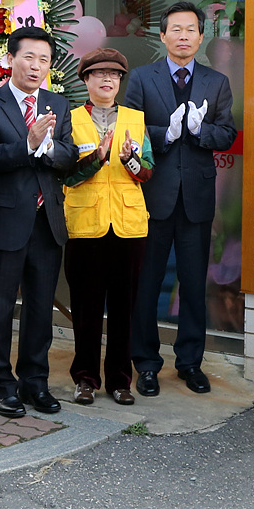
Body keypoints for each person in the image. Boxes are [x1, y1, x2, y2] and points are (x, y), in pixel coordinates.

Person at [124, 1, 237, 396]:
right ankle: (147, 363)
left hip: (197, 199)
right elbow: (130, 132)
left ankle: (190, 363)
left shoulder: (215, 82)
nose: (183, 36)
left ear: (201, 37)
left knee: (192, 285)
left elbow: (227, 134)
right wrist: (167, 134)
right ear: (163, 35)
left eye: (191, 29)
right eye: (176, 29)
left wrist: (199, 130)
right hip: (153, 194)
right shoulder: (141, 78)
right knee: (147, 282)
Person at [0, 26, 77, 417]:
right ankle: (0, 386)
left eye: (44, 60)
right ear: (10, 59)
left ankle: (35, 382)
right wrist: (29, 144)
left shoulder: (59, 104)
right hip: (3, 220)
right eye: (29, 57)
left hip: (45, 220)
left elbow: (68, 157)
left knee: (39, 308)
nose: (36, 66)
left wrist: (48, 149)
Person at [61, 47, 152, 406]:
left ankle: (120, 379)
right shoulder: (69, 119)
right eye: (99, 74)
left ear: (120, 82)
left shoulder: (135, 119)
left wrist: (130, 159)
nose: (107, 80)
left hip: (128, 226)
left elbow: (147, 171)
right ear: (86, 80)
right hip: (85, 226)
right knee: (85, 309)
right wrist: (97, 158)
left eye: (113, 76)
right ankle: (85, 378)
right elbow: (66, 174)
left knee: (123, 310)